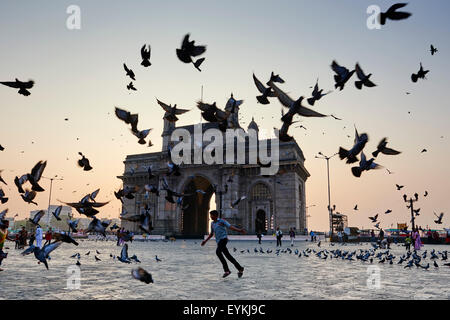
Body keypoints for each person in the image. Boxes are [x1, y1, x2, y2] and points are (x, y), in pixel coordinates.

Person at [201, 210, 245, 278]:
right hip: (219, 241)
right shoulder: (212, 224)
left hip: (224, 239)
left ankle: (227, 270)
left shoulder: (222, 221)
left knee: (218, 252)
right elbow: (211, 234)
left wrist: (239, 230)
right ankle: (240, 268)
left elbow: (230, 227)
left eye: (211, 215)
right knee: (228, 256)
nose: (210, 217)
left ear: (215, 215)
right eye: (210, 215)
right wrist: (205, 241)